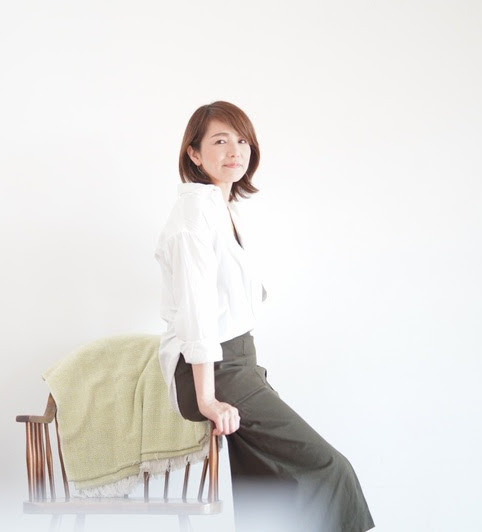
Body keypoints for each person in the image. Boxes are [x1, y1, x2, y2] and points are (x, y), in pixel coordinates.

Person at [155, 101, 374, 531]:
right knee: (330, 469)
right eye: (220, 141)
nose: (235, 150)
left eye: (242, 141)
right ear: (194, 153)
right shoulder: (194, 214)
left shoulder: (223, 209)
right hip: (213, 369)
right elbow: (198, 313)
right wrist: (208, 399)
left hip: (238, 364)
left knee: (270, 489)